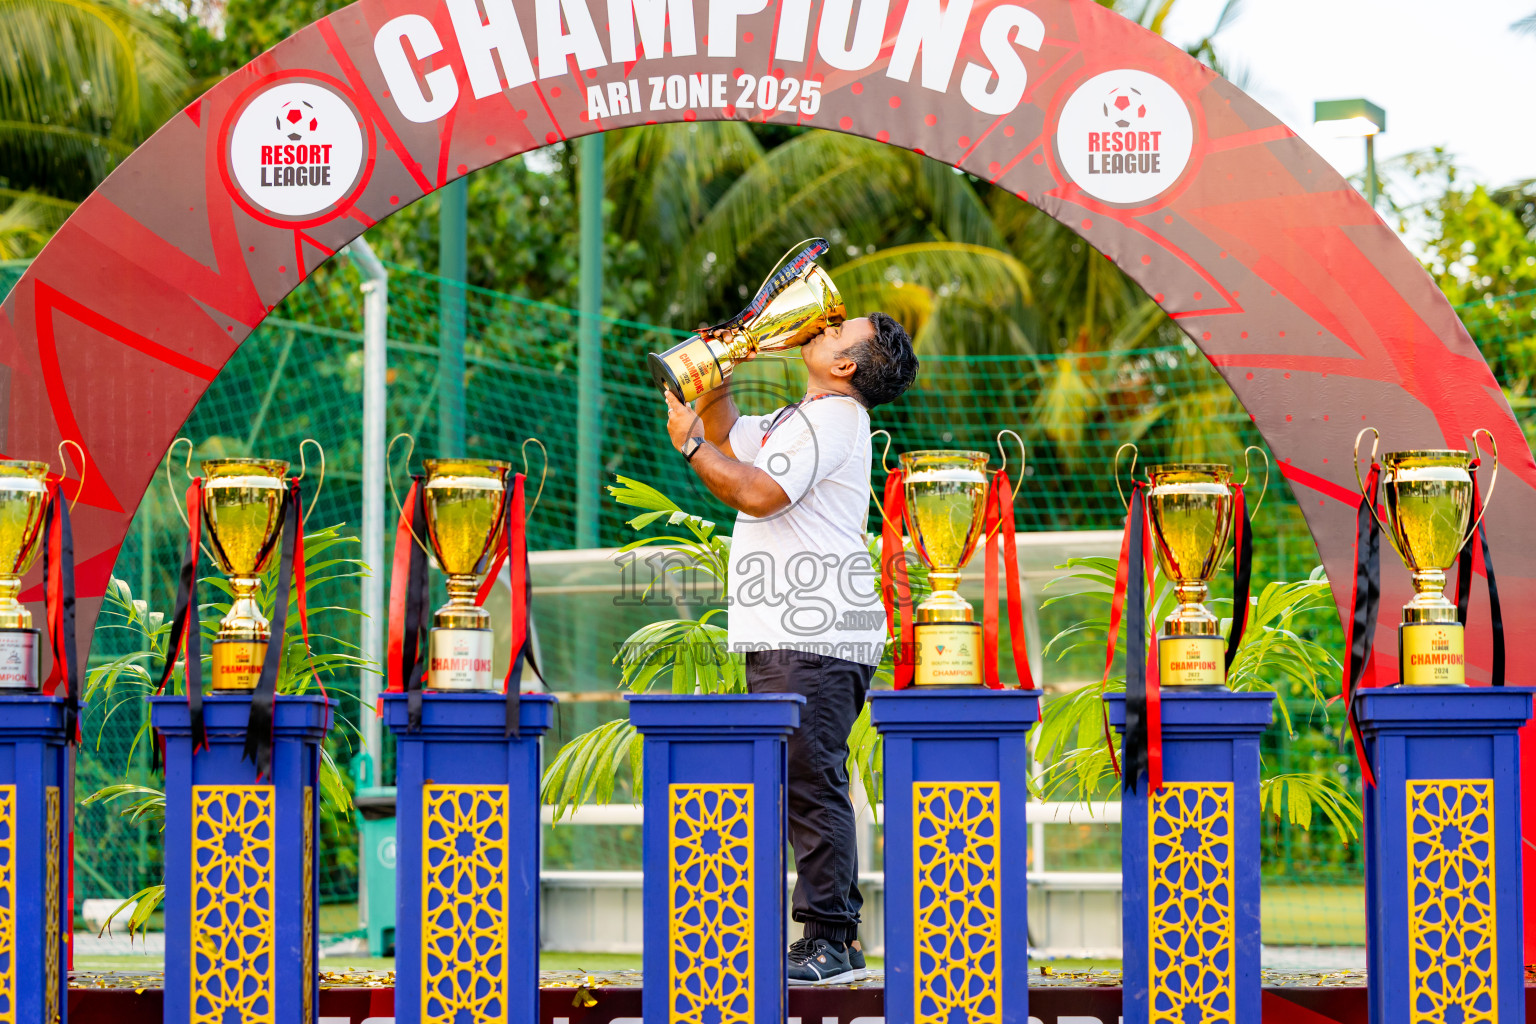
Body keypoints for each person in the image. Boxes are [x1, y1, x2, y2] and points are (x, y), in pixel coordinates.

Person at [662, 312, 918, 985]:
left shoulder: (833, 420)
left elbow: (758, 493)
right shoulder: (802, 418)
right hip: (796, 631)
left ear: (847, 367)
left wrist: (690, 449)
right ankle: (837, 940)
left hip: (814, 633)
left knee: (810, 782)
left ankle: (830, 942)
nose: (823, 325)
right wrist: (715, 371)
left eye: (839, 331)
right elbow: (728, 439)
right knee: (804, 781)